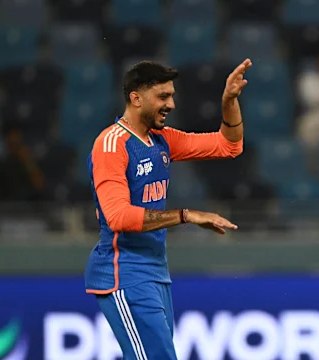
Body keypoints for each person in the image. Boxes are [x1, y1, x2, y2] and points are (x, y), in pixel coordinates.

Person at [84, 59, 252, 360]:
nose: (171, 104)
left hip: (155, 273)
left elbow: (229, 146)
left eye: (172, 96)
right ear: (136, 98)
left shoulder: (161, 140)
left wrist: (229, 101)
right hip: (124, 273)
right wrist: (185, 215)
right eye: (162, 96)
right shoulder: (111, 145)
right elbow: (119, 217)